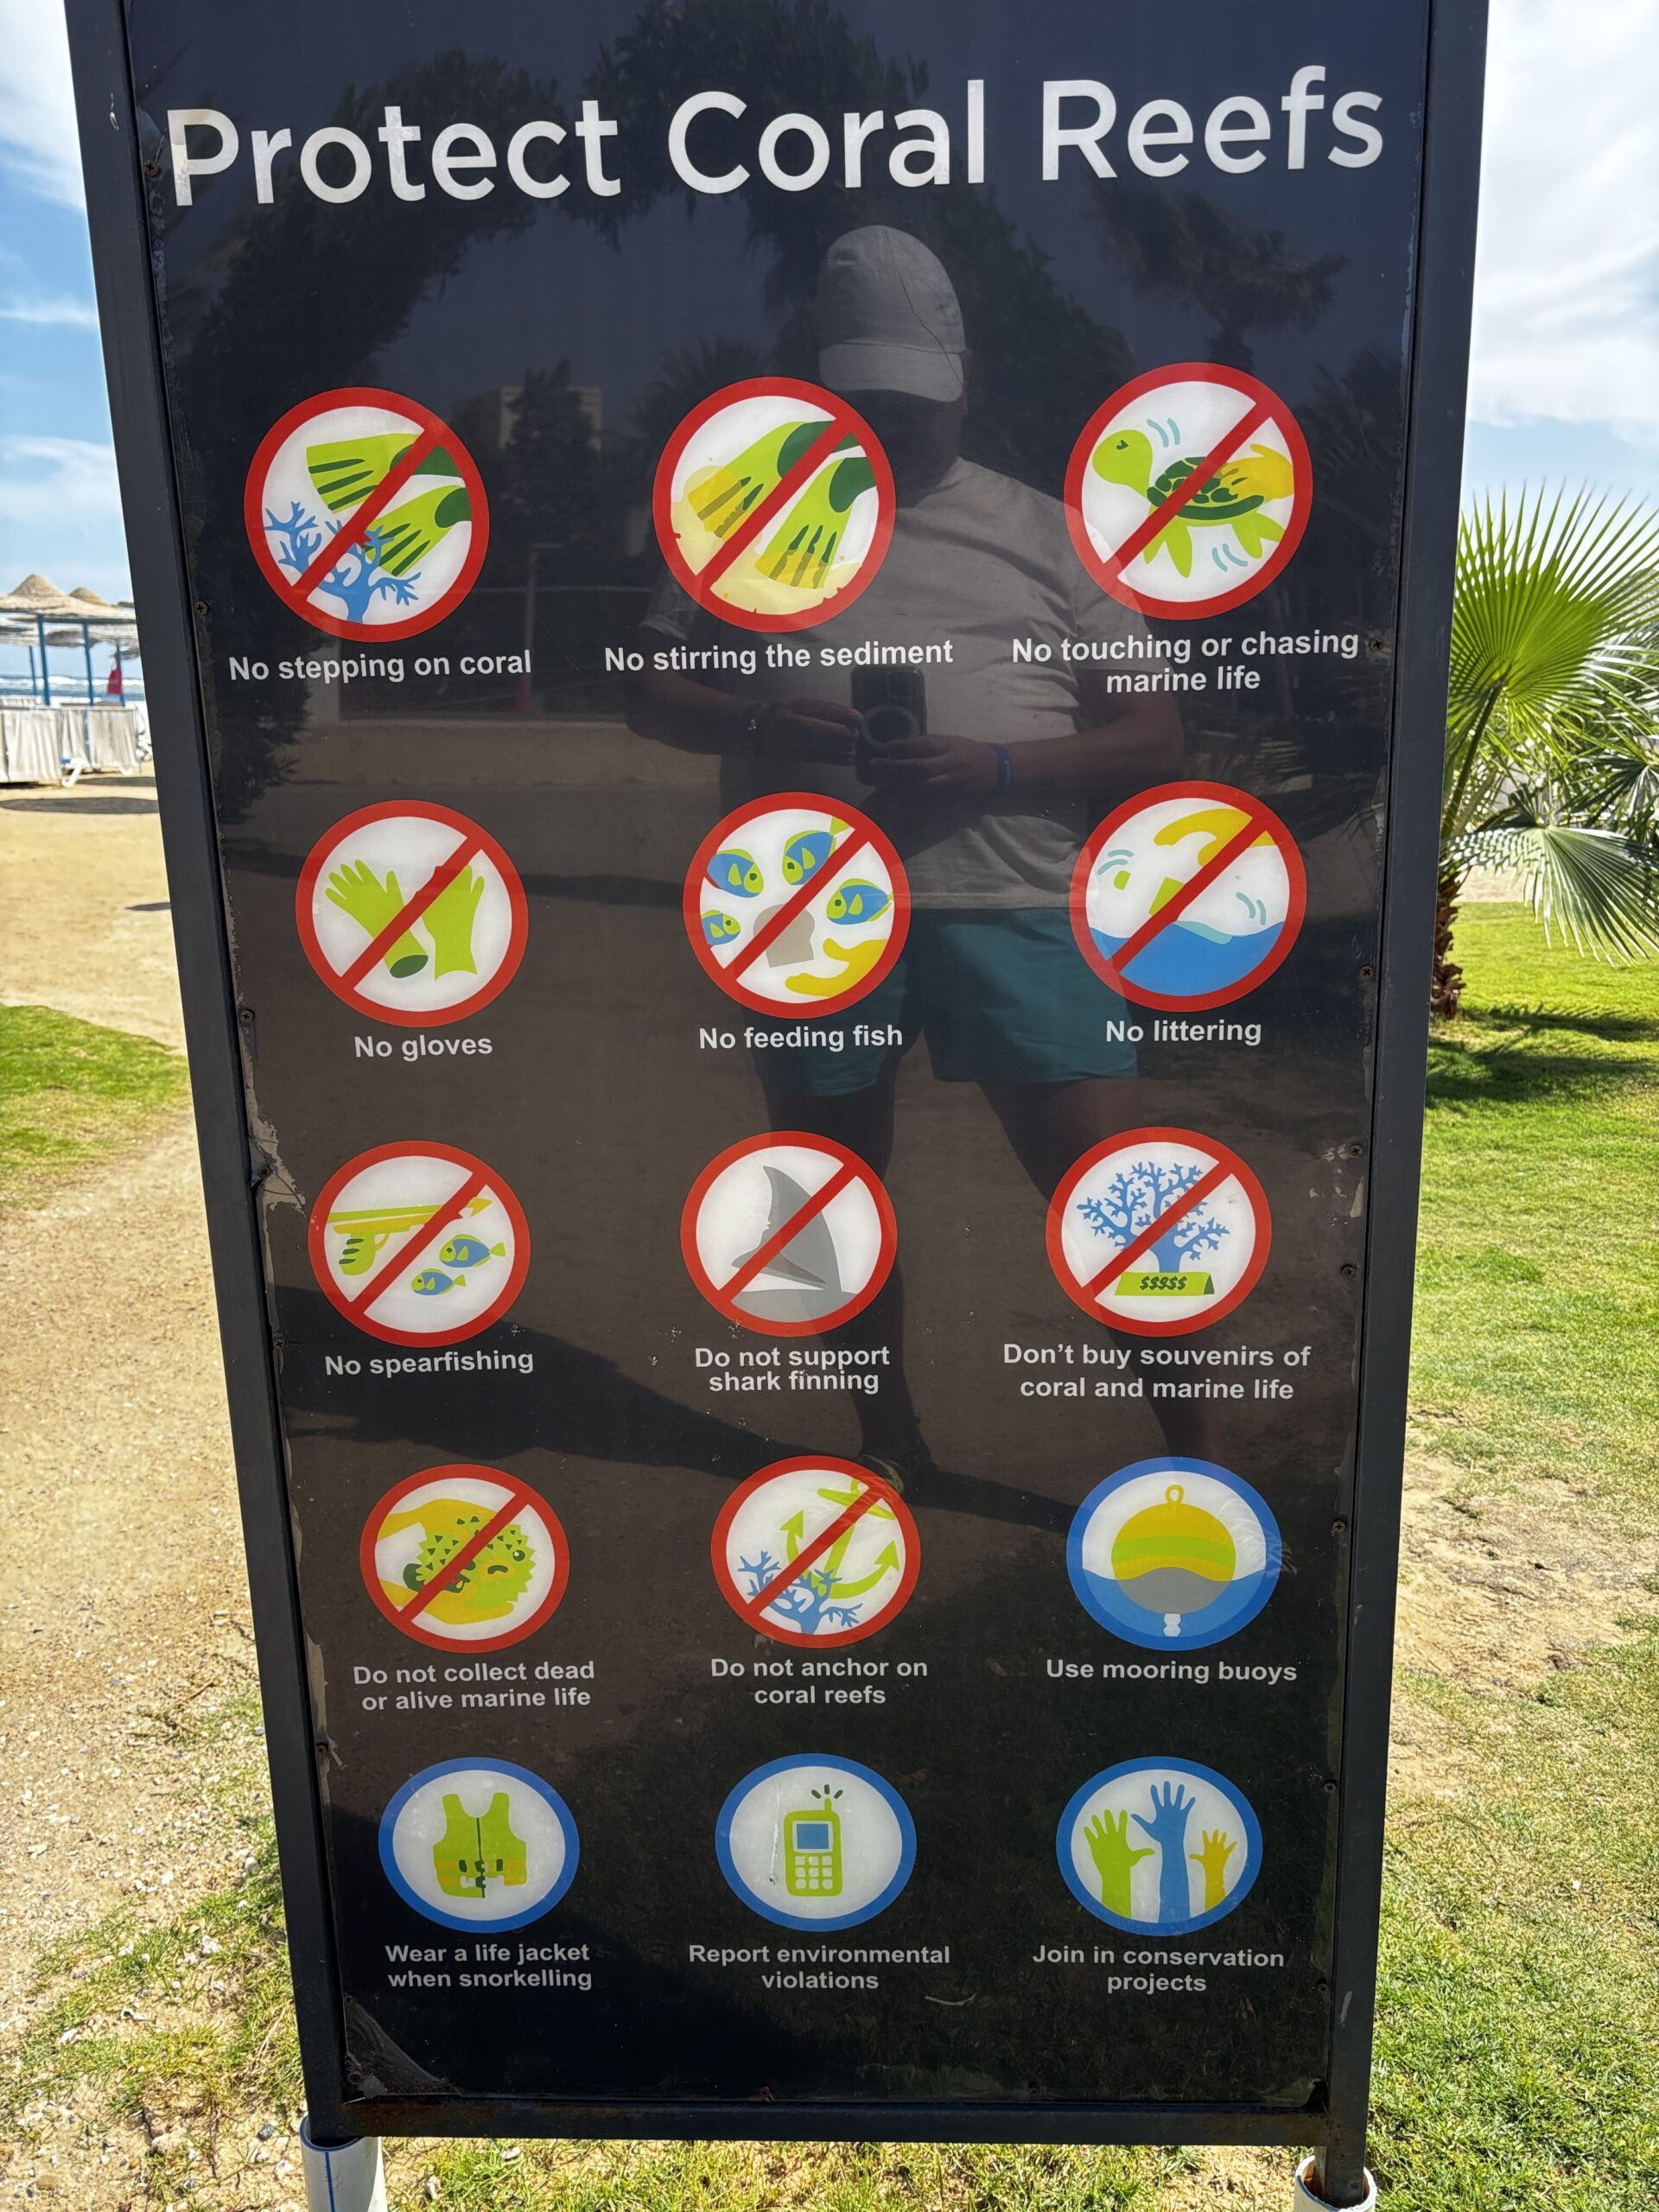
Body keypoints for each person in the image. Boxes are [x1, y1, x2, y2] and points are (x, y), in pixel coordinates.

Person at [632, 226, 1212, 1487]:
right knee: (837, 1191)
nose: (892, 426)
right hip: (806, 910)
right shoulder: (751, 519)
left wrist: (993, 767)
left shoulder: (1052, 532)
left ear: (966, 382)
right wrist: (755, 723)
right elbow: (648, 692)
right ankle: (890, 1443)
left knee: (1117, 1205)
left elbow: (1155, 734)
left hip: (1013, 897)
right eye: (867, 402)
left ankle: (1206, 1465)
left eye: (915, 402)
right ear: (827, 387)